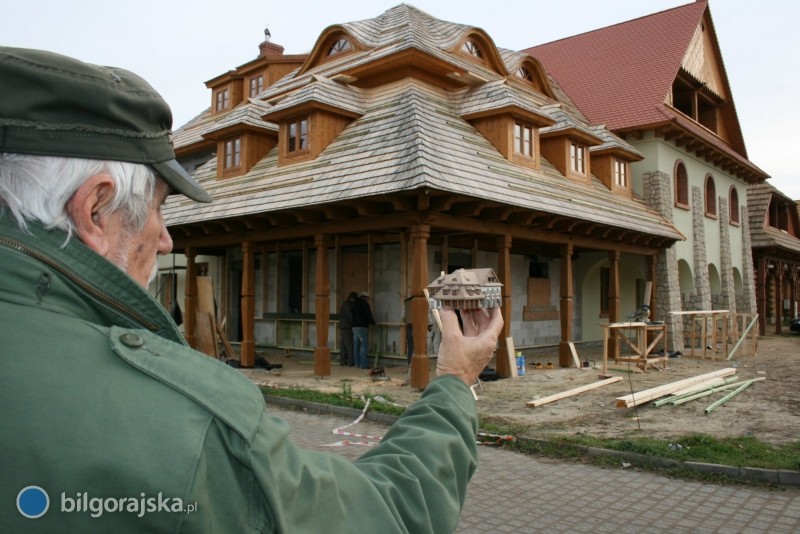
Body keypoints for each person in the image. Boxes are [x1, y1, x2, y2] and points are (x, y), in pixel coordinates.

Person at [0, 47, 504, 533]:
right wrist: (455, 380)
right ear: (94, 210)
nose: (166, 237)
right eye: (159, 208)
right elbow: (384, 513)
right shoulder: (188, 421)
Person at [351, 291, 376, 369]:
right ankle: (363, 365)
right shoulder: (365, 305)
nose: (368, 299)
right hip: (362, 327)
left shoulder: (354, 304)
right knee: (363, 347)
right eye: (367, 297)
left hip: (354, 327)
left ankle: (356, 364)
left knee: (356, 346)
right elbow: (368, 315)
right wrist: (373, 322)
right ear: (364, 297)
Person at [338, 291, 358, 366]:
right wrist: (354, 322)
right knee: (349, 344)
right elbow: (349, 316)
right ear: (352, 298)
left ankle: (342, 360)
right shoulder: (347, 305)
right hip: (346, 326)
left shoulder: (345, 304)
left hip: (343, 326)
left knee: (343, 345)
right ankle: (350, 361)